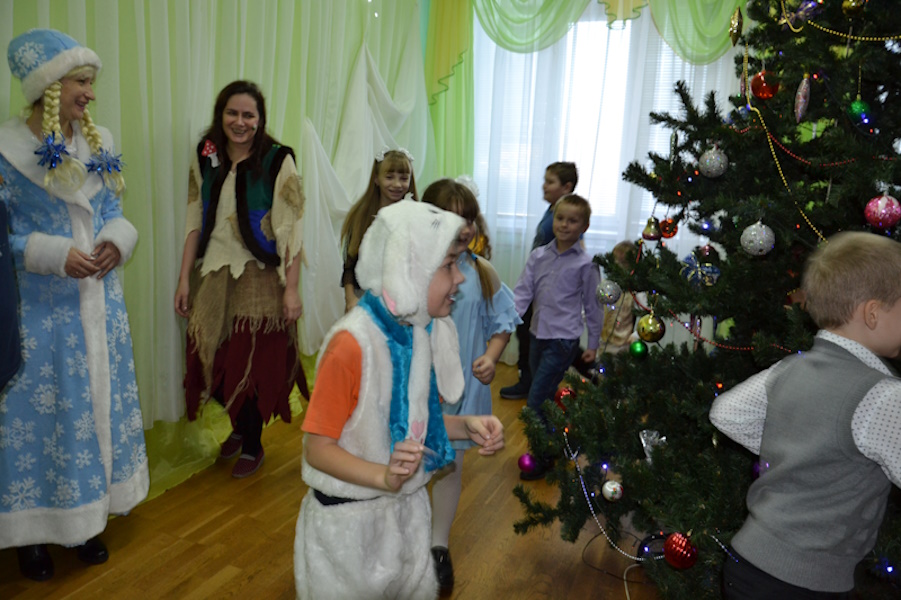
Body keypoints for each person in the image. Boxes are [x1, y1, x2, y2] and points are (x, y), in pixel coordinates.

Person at [294, 200, 505, 600]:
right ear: (410, 269)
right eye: (448, 265)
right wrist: (384, 477)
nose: (460, 277)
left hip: (404, 519)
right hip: (349, 533)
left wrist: (467, 425)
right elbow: (317, 449)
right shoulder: (351, 345)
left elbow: (416, 423)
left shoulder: (415, 334)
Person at [0, 28, 149, 581]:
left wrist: (115, 239)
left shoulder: (96, 141)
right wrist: (49, 252)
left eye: (90, 82)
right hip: (41, 310)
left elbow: (110, 208)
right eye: (81, 82)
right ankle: (33, 534)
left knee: (93, 410)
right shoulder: (6, 153)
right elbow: (3, 237)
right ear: (49, 87)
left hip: (98, 299)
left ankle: (88, 517)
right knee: (46, 416)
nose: (90, 92)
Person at [710, 231, 901, 599]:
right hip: (804, 583)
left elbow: (726, 413)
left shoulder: (789, 368)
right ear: (873, 313)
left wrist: (798, 445)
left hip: (746, 561)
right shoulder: (882, 395)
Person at [174, 80, 308, 479]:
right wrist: (184, 280)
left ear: (260, 119)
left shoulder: (278, 160)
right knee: (209, 360)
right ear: (221, 115)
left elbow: (293, 230)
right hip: (213, 272)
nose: (240, 122)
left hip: (260, 276)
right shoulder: (206, 156)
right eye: (232, 113)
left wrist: (292, 289)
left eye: (249, 115)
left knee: (250, 365)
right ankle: (239, 424)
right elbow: (193, 219)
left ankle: (252, 443)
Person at [421, 178, 521, 592]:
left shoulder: (481, 271)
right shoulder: (413, 269)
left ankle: (438, 547)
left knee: (449, 467)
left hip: (462, 391)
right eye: (451, 217)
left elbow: (504, 321)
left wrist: (492, 357)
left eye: (468, 218)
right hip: (419, 386)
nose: (463, 227)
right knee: (412, 464)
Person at [512, 194, 602, 480]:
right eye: (560, 218)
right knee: (546, 395)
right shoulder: (538, 256)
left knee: (535, 400)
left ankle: (542, 455)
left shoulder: (586, 264)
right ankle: (562, 441)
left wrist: (594, 344)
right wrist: (507, 322)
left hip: (563, 341)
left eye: (572, 221)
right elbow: (523, 292)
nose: (564, 225)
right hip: (537, 335)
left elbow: (593, 306)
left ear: (584, 226)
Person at [500, 161, 578, 399]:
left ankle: (532, 383)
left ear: (567, 187)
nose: (544, 186)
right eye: (545, 180)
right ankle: (530, 380)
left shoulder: (566, 217)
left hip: (546, 288)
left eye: (550, 182)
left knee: (534, 334)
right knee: (528, 331)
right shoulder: (553, 210)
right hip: (536, 283)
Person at [340, 147, 417, 312]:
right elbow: (350, 265)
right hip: (365, 300)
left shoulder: (416, 217)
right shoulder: (361, 217)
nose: (397, 184)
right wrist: (350, 299)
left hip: (402, 303)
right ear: (376, 178)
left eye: (404, 178)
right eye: (389, 177)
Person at [599, 240, 640, 355]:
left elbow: (645, 315)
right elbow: (594, 307)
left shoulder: (635, 291)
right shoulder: (606, 286)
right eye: (615, 262)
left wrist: (636, 335)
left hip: (623, 344)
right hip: (602, 341)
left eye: (623, 263)